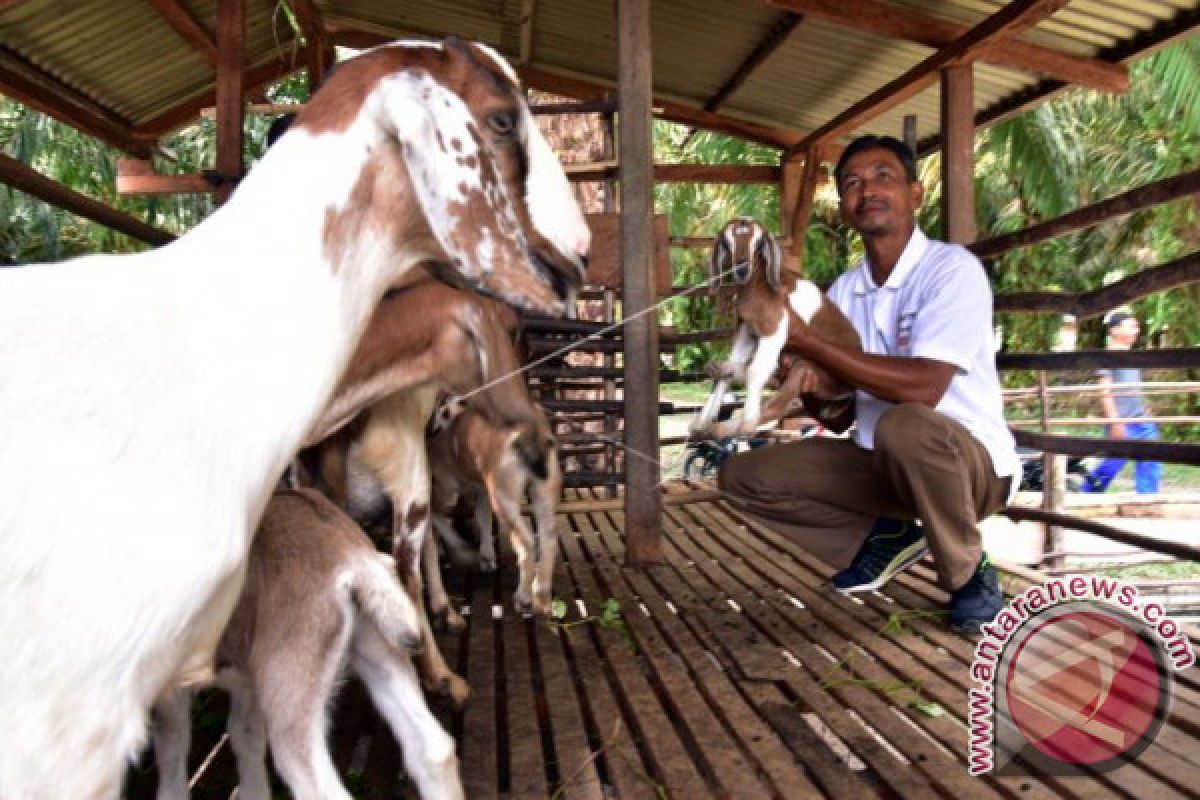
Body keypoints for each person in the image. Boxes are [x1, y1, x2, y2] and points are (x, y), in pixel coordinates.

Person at [718, 135, 1020, 634]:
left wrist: (815, 346)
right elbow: (839, 416)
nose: (868, 190)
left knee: (906, 423)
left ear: (916, 195)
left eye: (883, 176)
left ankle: (969, 575)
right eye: (853, 183)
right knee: (745, 476)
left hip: (971, 471)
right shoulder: (843, 291)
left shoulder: (951, 270)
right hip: (886, 466)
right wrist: (805, 378)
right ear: (844, 206)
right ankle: (883, 537)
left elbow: (924, 390)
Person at [1080, 310, 1162, 494]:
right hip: (1121, 421)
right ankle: (1086, 493)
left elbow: (1135, 390)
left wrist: (1146, 411)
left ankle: (1148, 498)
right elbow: (1105, 391)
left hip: (1141, 419)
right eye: (1131, 326)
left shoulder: (1133, 357)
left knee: (1152, 455)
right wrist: (1115, 422)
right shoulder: (1107, 357)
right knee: (1113, 463)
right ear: (1115, 330)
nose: (1136, 330)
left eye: (1137, 327)